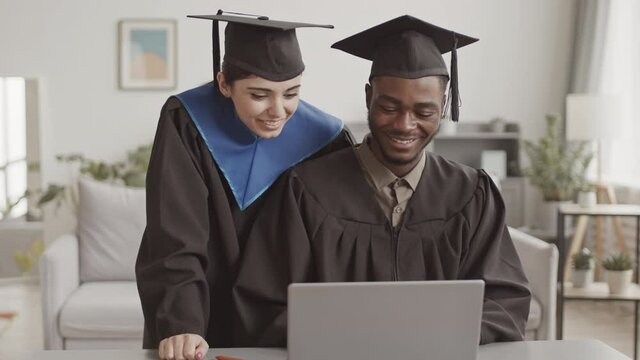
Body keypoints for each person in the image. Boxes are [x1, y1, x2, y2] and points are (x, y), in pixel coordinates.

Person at [233, 14, 531, 346]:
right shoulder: (306, 191)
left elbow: (505, 305)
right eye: (389, 107)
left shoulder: (472, 194)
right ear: (368, 98)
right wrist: (355, 335)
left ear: (444, 106)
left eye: (424, 112)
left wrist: (434, 335)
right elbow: (263, 306)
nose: (405, 125)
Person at [135, 11, 354, 359]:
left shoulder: (327, 139)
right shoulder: (186, 121)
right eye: (259, 94)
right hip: (201, 322)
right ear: (224, 84)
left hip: (287, 325)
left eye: (291, 92)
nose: (277, 110)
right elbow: (173, 233)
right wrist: (182, 323)